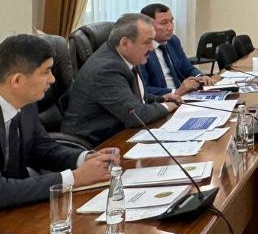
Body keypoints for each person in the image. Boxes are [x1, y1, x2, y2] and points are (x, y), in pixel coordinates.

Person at [0, 35, 117, 224]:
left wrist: (84, 159)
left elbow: (42, 148)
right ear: (17, 81)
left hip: (13, 210)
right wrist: (74, 178)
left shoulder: (25, 102)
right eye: (46, 71)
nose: (52, 79)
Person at [62, 13, 178, 147]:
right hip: (94, 145)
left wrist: (162, 98)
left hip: (119, 134)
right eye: (147, 42)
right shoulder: (106, 70)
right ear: (125, 43)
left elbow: (133, 98)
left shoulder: (125, 56)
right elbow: (136, 115)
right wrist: (167, 106)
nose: (152, 48)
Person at [138, 3, 215, 97]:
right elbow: (143, 89)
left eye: (171, 21)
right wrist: (176, 91)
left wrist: (200, 77)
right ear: (147, 26)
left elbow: (187, 68)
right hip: (163, 100)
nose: (170, 27)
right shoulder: (140, 50)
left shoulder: (173, 41)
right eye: (164, 23)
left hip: (184, 96)